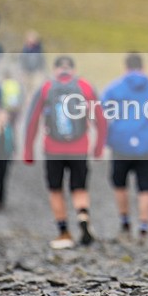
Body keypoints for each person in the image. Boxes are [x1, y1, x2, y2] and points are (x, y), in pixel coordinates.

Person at [23, 55, 106, 249]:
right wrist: (99, 147)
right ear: (73, 70)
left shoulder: (46, 88)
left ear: (56, 70)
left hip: (53, 149)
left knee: (56, 189)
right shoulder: (84, 86)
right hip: (79, 148)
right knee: (79, 187)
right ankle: (83, 216)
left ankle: (64, 232)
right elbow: (100, 119)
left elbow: (32, 120)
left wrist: (28, 151)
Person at [101, 53, 148, 243]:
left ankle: (125, 223)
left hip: (121, 144)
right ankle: (144, 228)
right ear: (143, 67)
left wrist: (105, 141)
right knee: (146, 188)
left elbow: (101, 116)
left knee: (120, 184)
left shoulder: (114, 88)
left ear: (126, 67)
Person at [19, 30, 46, 101]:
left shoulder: (39, 49)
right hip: (26, 73)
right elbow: (22, 61)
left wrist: (41, 72)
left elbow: (42, 61)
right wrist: (22, 72)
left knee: (35, 90)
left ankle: (33, 103)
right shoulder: (25, 49)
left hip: (36, 72)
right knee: (26, 90)